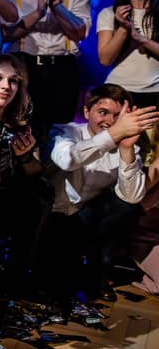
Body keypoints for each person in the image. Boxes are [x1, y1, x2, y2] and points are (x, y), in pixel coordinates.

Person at [45, 84, 158, 302]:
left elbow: (133, 197)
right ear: (87, 112)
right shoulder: (67, 131)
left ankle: (97, 272)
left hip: (86, 217)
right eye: (103, 112)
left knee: (126, 208)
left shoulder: (129, 146)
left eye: (118, 116)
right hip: (52, 215)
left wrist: (126, 149)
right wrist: (114, 134)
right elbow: (68, 160)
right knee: (54, 282)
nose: (110, 121)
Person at [0, 0, 91, 145]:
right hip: (24, 66)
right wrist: (39, 11)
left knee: (61, 134)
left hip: (63, 66)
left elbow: (80, 33)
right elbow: (8, 34)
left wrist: (57, 8)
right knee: (23, 131)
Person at [0, 54, 48, 292]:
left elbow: (35, 171)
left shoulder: (18, 126)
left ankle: (14, 278)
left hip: (0, 197)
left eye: (13, 81)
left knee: (41, 193)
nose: (6, 86)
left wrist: (24, 156)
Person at [97, 0, 159, 110]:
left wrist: (141, 39)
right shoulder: (109, 13)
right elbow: (105, 59)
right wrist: (123, 28)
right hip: (117, 91)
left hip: (155, 93)